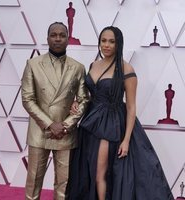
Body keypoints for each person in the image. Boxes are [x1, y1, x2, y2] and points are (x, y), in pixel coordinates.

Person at [66, 26, 174, 200]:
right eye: (103, 41)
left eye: (111, 41)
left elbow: (131, 108)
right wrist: (77, 104)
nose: (106, 45)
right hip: (90, 124)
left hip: (111, 125)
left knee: (100, 173)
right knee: (89, 170)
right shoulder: (93, 65)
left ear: (118, 44)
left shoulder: (126, 69)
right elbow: (90, 95)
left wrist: (126, 140)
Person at [21, 22, 89, 200]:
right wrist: (50, 124)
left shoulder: (78, 67)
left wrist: (65, 125)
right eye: (54, 35)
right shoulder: (33, 64)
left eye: (62, 35)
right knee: (33, 182)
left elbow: (84, 99)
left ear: (68, 39)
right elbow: (27, 99)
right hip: (40, 131)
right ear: (47, 38)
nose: (57, 38)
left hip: (65, 133)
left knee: (64, 185)